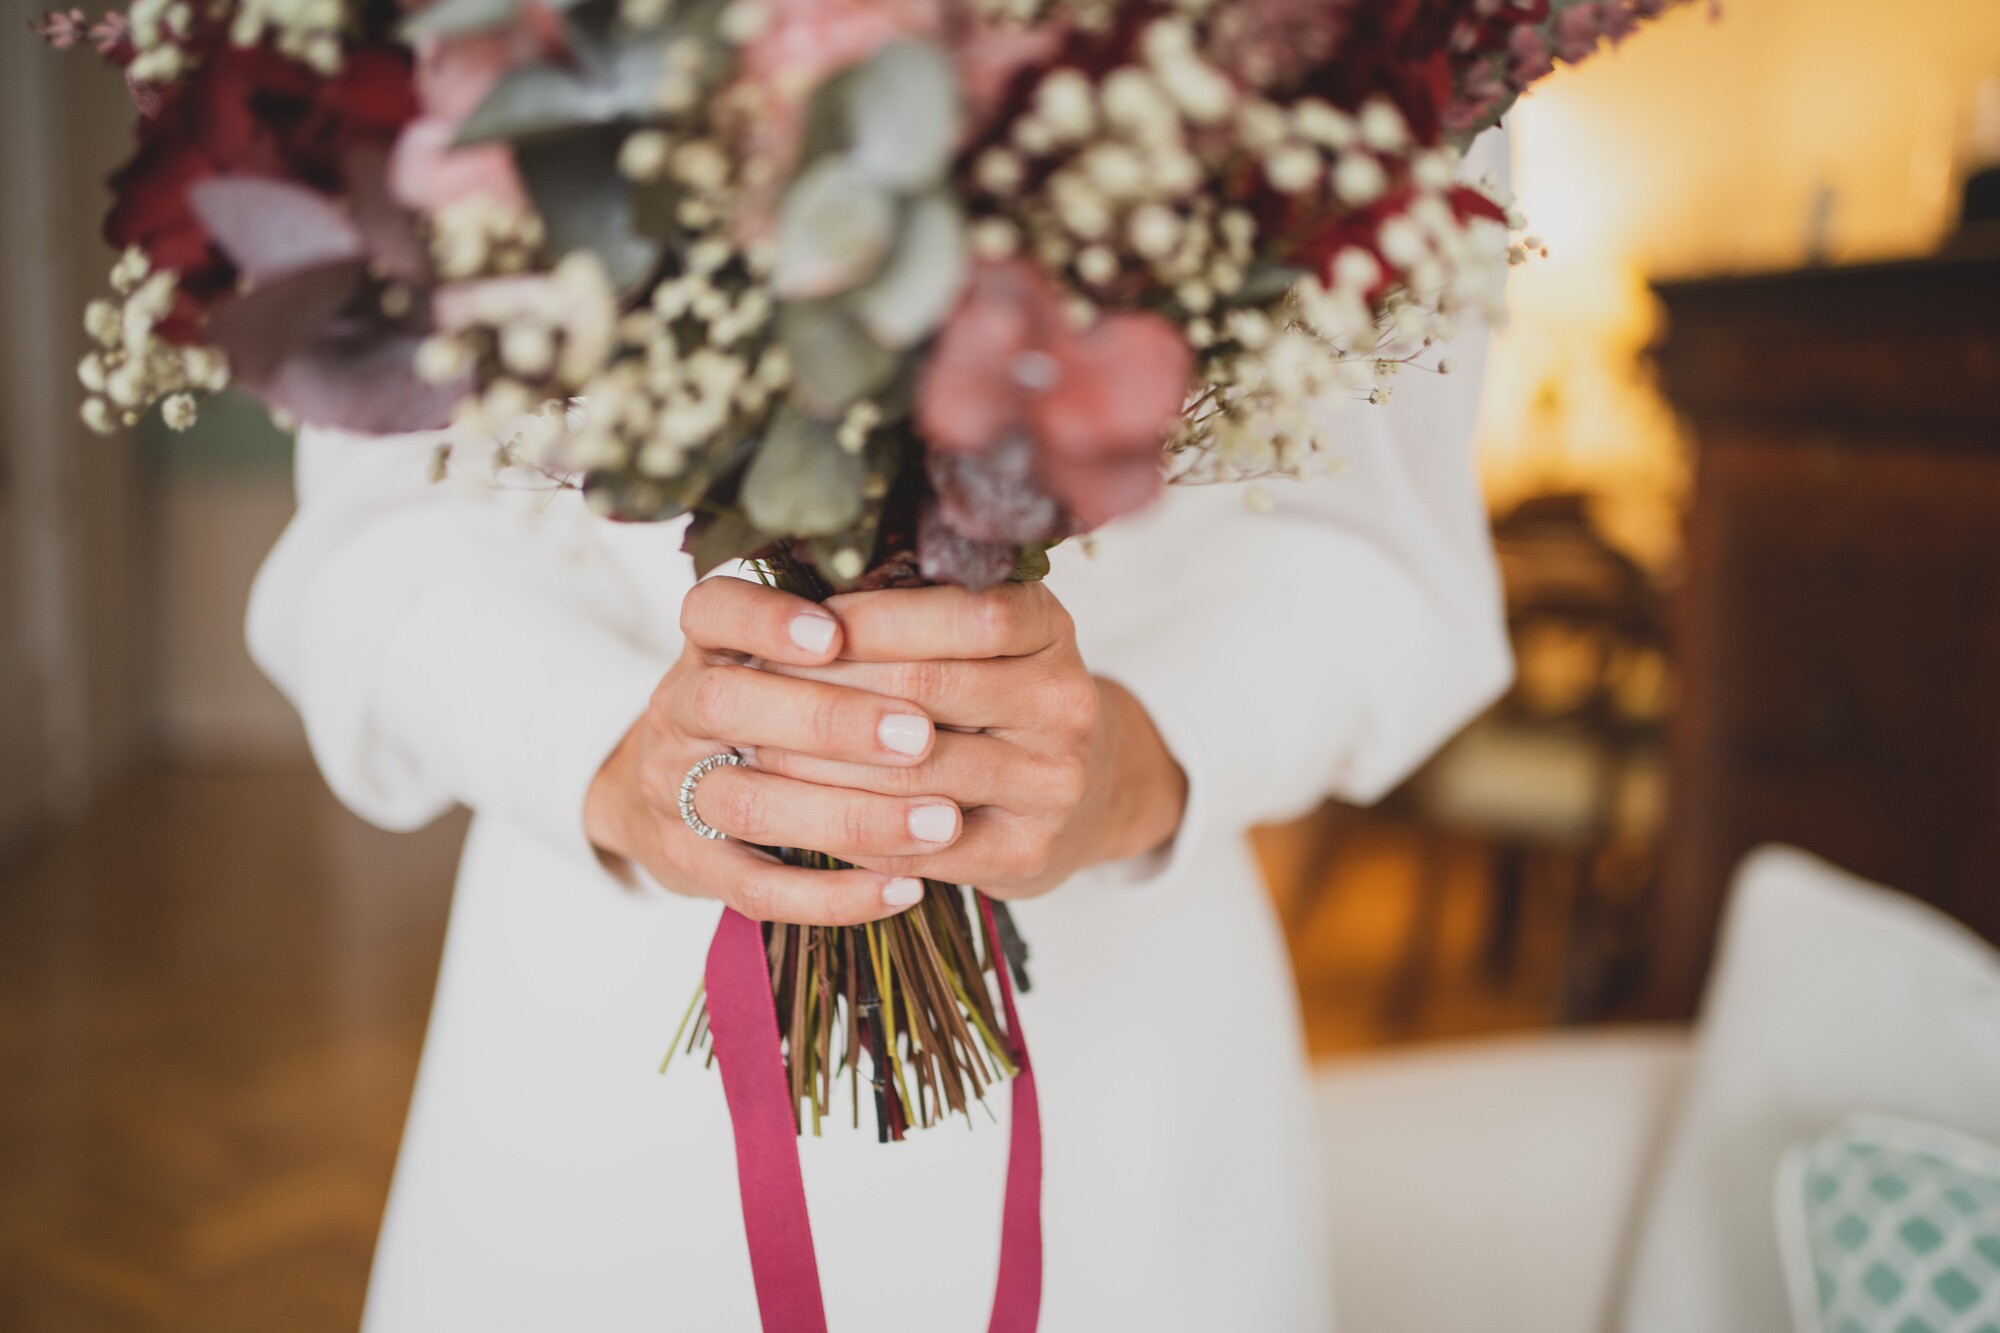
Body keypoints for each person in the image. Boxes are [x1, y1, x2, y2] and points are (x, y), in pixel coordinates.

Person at [247, 157, 1511, 1333]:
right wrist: (609, 761)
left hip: (1129, 1055)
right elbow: (371, 545)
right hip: (591, 1064)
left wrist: (1136, 759)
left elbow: (1386, 554)